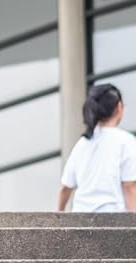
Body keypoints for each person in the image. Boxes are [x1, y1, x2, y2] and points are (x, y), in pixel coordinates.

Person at [58, 83, 136, 213]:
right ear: (119, 107)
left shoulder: (83, 142)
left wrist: (59, 214)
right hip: (112, 217)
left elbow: (65, 188)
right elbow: (129, 186)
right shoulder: (126, 141)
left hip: (80, 215)